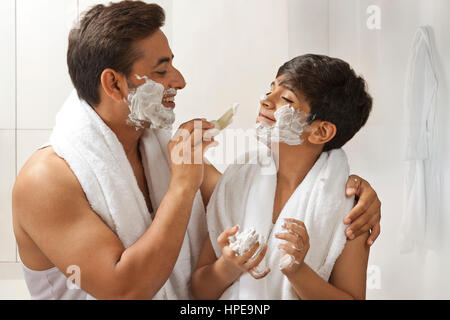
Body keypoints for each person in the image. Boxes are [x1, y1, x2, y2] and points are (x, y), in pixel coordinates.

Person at [12, 1, 381, 300]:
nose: (180, 81)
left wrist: (350, 189)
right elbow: (125, 292)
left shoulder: (157, 146)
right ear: (114, 83)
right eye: (161, 71)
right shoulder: (46, 180)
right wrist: (182, 187)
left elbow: (249, 190)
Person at [191, 54, 373, 300]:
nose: (265, 100)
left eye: (286, 98)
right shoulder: (236, 181)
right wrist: (228, 267)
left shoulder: (349, 208)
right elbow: (200, 291)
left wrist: (298, 271)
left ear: (321, 131)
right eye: (270, 90)